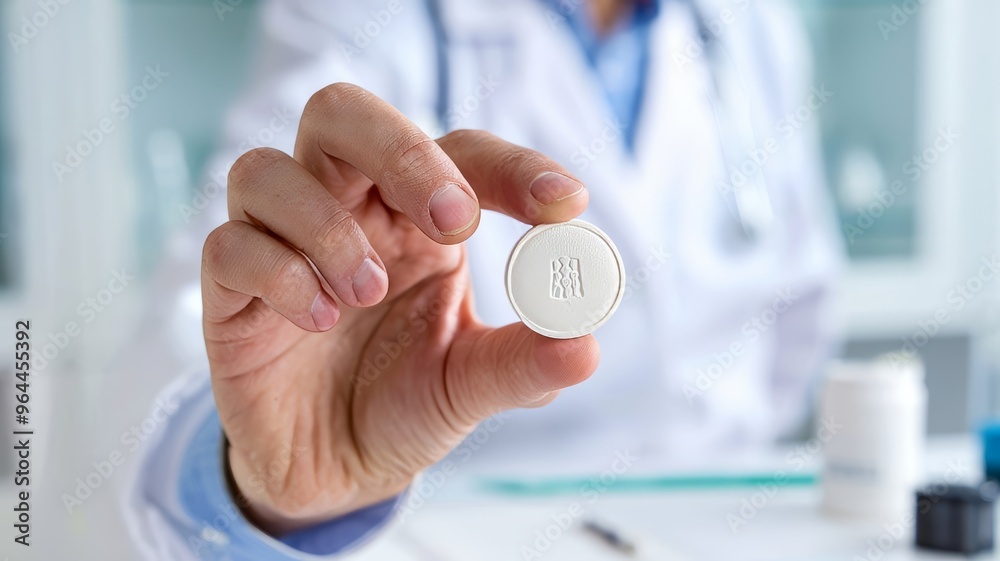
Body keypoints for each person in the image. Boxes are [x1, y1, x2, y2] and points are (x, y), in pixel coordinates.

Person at [124, 0, 842, 558]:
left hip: (730, 516)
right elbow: (210, 306)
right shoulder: (361, 18)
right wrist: (257, 475)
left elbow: (803, 305)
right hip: (466, 528)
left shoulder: (746, 21)